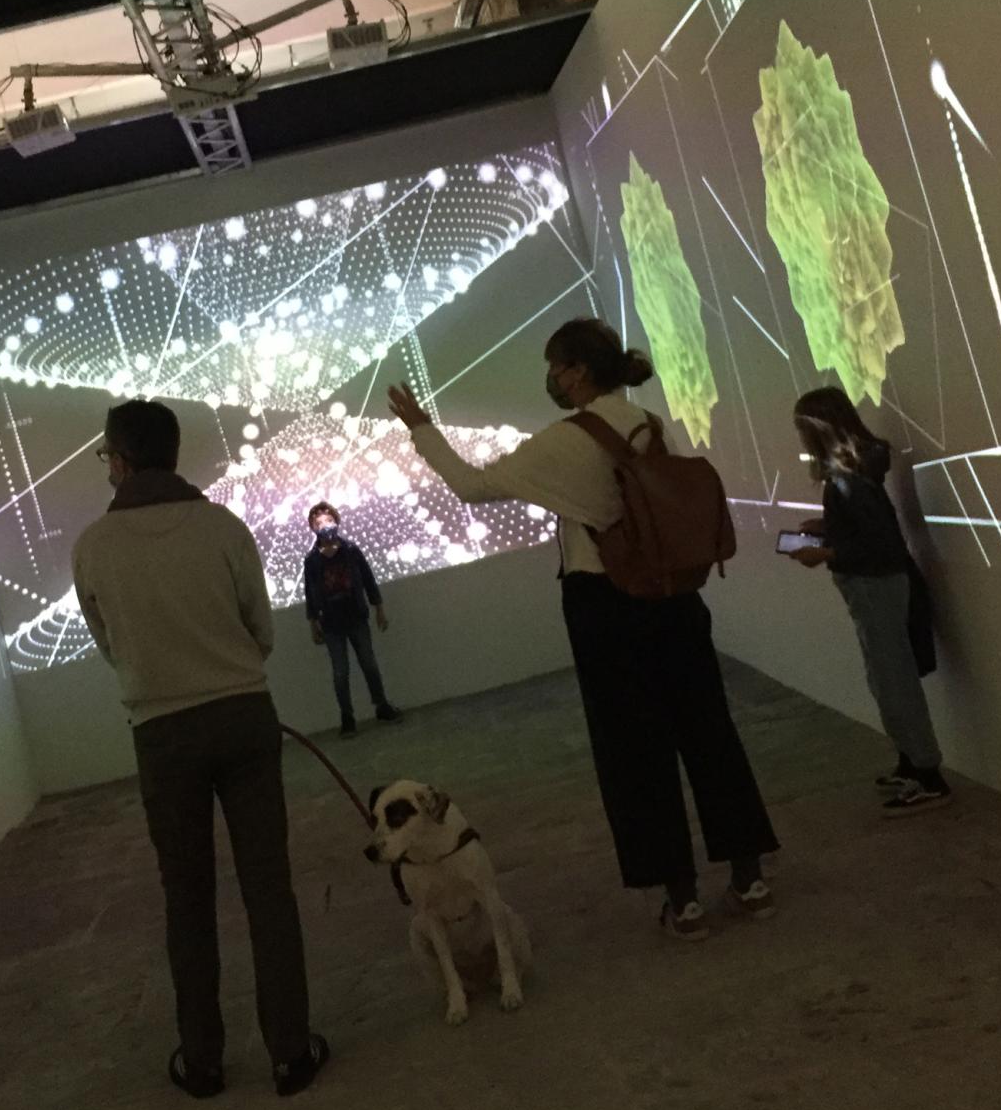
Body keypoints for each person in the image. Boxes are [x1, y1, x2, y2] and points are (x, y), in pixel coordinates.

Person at [387, 318, 779, 941]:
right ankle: (750, 878)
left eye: (555, 367)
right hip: (676, 597)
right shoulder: (651, 424)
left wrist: (421, 430)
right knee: (710, 733)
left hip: (607, 607)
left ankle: (683, 902)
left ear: (577, 371)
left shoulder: (567, 441)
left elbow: (471, 486)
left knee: (637, 752)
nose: (551, 378)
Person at [71, 400, 330, 1099]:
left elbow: (109, 646)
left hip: (161, 733)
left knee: (186, 898)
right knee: (268, 888)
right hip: (244, 717)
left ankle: (204, 1061)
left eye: (106, 456)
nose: (108, 467)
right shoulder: (222, 527)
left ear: (122, 460)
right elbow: (260, 628)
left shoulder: (93, 547)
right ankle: (290, 1053)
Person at [785, 386, 952, 816]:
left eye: (803, 430)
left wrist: (826, 552)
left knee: (894, 682)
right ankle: (911, 763)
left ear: (818, 430)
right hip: (878, 585)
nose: (800, 439)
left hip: (875, 587)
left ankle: (928, 775)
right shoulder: (856, 471)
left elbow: (878, 545)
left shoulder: (847, 478)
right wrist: (828, 526)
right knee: (887, 680)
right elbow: (874, 531)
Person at [302, 502, 403, 739]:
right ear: (313, 527)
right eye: (319, 523)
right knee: (340, 672)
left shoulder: (350, 550)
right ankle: (347, 718)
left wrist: (379, 609)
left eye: (329, 520)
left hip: (356, 616)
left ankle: (381, 706)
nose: (325, 526)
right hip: (331, 624)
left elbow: (368, 579)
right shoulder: (312, 560)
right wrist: (313, 623)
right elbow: (310, 593)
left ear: (337, 521)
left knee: (369, 664)